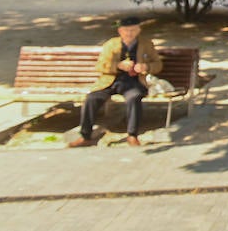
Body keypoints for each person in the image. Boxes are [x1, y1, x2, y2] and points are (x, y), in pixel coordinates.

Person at [68, 14, 163, 148]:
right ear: (120, 31)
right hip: (111, 80)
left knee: (134, 97)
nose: (129, 33)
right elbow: (100, 66)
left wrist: (146, 67)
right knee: (92, 98)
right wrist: (118, 66)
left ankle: (132, 135)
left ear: (139, 30)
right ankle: (85, 136)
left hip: (134, 81)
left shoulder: (146, 44)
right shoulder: (111, 45)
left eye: (133, 30)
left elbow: (158, 65)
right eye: (126, 30)